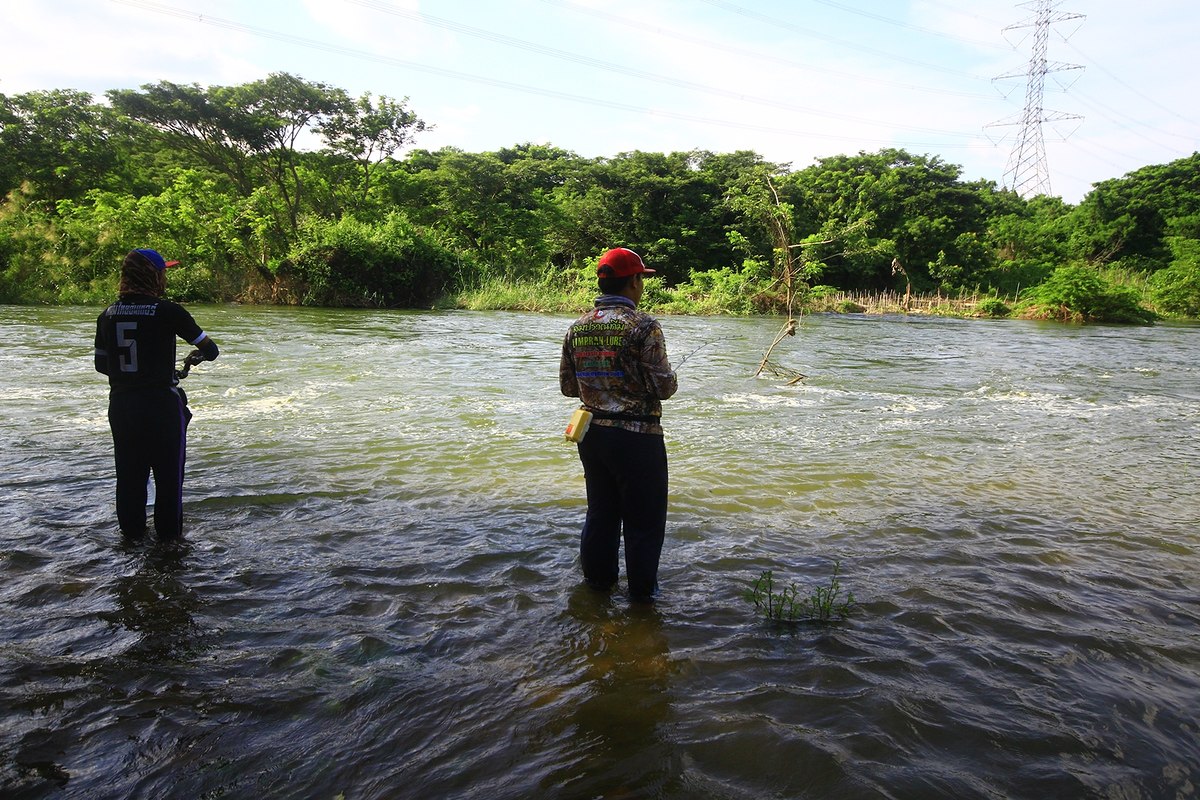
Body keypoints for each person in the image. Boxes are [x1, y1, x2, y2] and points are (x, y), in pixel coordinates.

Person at [560, 247, 678, 602]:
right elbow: (663, 387)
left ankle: (597, 591)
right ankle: (642, 601)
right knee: (644, 522)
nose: (642, 286)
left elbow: (568, 388)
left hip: (592, 435)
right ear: (634, 282)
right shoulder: (645, 326)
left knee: (601, 513)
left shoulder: (578, 327)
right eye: (641, 278)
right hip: (637, 437)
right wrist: (670, 378)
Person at [94, 248, 219, 541]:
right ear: (154, 276)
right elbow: (210, 351)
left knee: (129, 478)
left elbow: (102, 366)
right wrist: (189, 361)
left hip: (123, 406)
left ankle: (130, 543)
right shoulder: (168, 311)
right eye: (163, 272)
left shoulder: (107, 315)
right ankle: (169, 549)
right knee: (168, 481)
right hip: (162, 406)